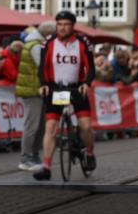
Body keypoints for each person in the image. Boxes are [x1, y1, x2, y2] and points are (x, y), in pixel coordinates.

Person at [33, 10, 96, 181]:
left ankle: (89, 153)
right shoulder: (49, 42)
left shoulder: (82, 42)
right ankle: (46, 166)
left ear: (73, 26)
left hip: (76, 89)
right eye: (59, 24)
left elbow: (90, 67)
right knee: (51, 127)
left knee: (85, 126)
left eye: (66, 24)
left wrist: (86, 83)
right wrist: (44, 85)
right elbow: (42, 68)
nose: (62, 28)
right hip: (58, 89)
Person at [16, 28, 45, 171]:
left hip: (38, 90)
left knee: (40, 126)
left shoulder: (35, 43)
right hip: (33, 90)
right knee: (32, 126)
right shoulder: (35, 45)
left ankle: (33, 155)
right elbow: (43, 67)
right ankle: (26, 158)